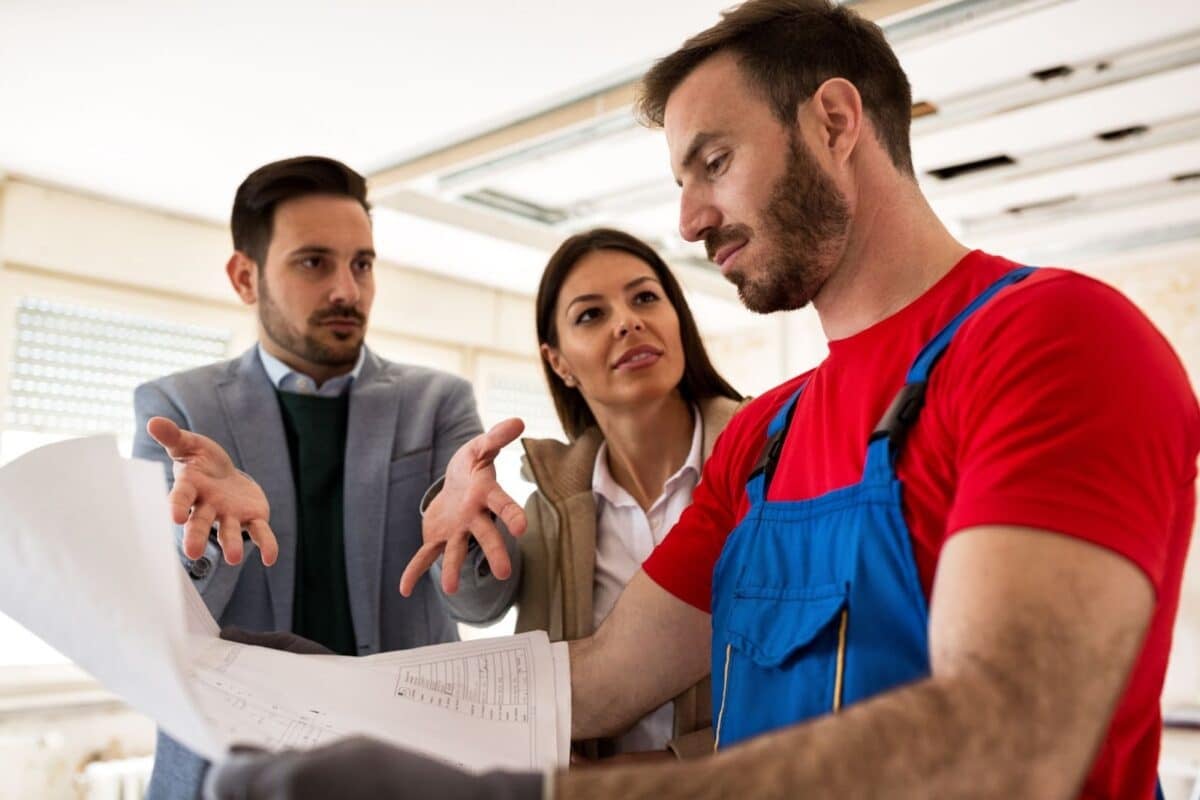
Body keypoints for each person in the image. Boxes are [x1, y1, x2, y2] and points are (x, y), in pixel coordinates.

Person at [198, 1, 1198, 797]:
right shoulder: (766, 436)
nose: (688, 220)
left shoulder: (1052, 339)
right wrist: (326, 692)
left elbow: (1003, 745)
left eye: (713, 162)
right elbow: (600, 674)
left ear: (835, 121)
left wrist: (527, 798)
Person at [133, 156, 519, 798]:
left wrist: (476, 540)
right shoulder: (178, 413)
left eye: (361, 264)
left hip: (407, 761)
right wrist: (203, 540)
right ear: (245, 277)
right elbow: (160, 616)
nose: (348, 289)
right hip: (233, 769)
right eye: (314, 262)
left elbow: (483, 606)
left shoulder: (438, 403)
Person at [416, 228, 744, 758]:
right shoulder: (554, 501)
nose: (628, 321)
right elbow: (480, 605)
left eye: (645, 298)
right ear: (559, 362)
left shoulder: (766, 458)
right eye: (591, 314)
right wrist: (463, 527)